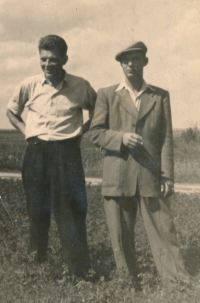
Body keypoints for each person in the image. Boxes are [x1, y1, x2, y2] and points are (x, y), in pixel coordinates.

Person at [88, 41, 190, 286]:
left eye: (135, 59)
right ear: (120, 64)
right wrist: (120, 137)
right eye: (125, 60)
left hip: (150, 174)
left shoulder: (159, 95)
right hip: (118, 175)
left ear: (145, 61)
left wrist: (167, 176)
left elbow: (166, 139)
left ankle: (178, 282)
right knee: (121, 235)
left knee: (164, 230)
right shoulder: (106, 94)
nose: (130, 64)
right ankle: (128, 283)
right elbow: (95, 132)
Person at [7, 34, 96, 278]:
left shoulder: (80, 86)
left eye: (53, 60)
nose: (48, 65)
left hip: (67, 153)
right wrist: (28, 134)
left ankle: (78, 268)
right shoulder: (29, 84)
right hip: (36, 152)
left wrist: (81, 133)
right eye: (43, 59)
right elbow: (11, 112)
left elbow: (98, 112)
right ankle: (38, 263)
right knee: (37, 208)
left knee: (70, 210)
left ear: (65, 59)